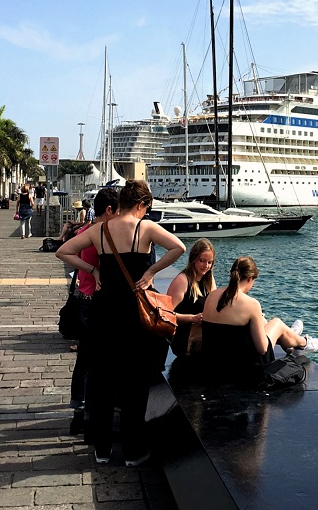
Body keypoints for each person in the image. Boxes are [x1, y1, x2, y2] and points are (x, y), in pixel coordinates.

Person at [56, 180, 185, 466]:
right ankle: (133, 450)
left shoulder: (100, 229)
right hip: (134, 314)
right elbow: (179, 247)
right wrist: (151, 271)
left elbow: (63, 251)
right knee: (135, 382)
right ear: (141, 205)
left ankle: (101, 449)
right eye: (146, 208)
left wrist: (93, 269)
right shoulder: (145, 228)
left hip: (104, 312)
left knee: (102, 379)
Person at [201, 256, 318, 384]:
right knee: (276, 323)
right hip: (243, 369)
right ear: (250, 279)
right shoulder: (251, 304)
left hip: (214, 365)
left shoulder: (212, 296)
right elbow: (262, 349)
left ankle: (290, 337)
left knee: (261, 320)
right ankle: (303, 343)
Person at [68, 187, 120, 436]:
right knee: (96, 363)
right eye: (117, 211)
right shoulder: (101, 234)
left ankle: (78, 412)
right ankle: (91, 416)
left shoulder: (84, 230)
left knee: (83, 362)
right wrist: (95, 270)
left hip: (82, 299)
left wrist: (87, 270)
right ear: (109, 210)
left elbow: (66, 253)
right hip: (96, 303)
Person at [167, 238, 216, 357]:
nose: (206, 266)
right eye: (202, 261)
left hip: (201, 337)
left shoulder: (208, 280)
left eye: (210, 262)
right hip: (185, 338)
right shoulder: (182, 280)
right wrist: (192, 318)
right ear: (193, 259)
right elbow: (166, 314)